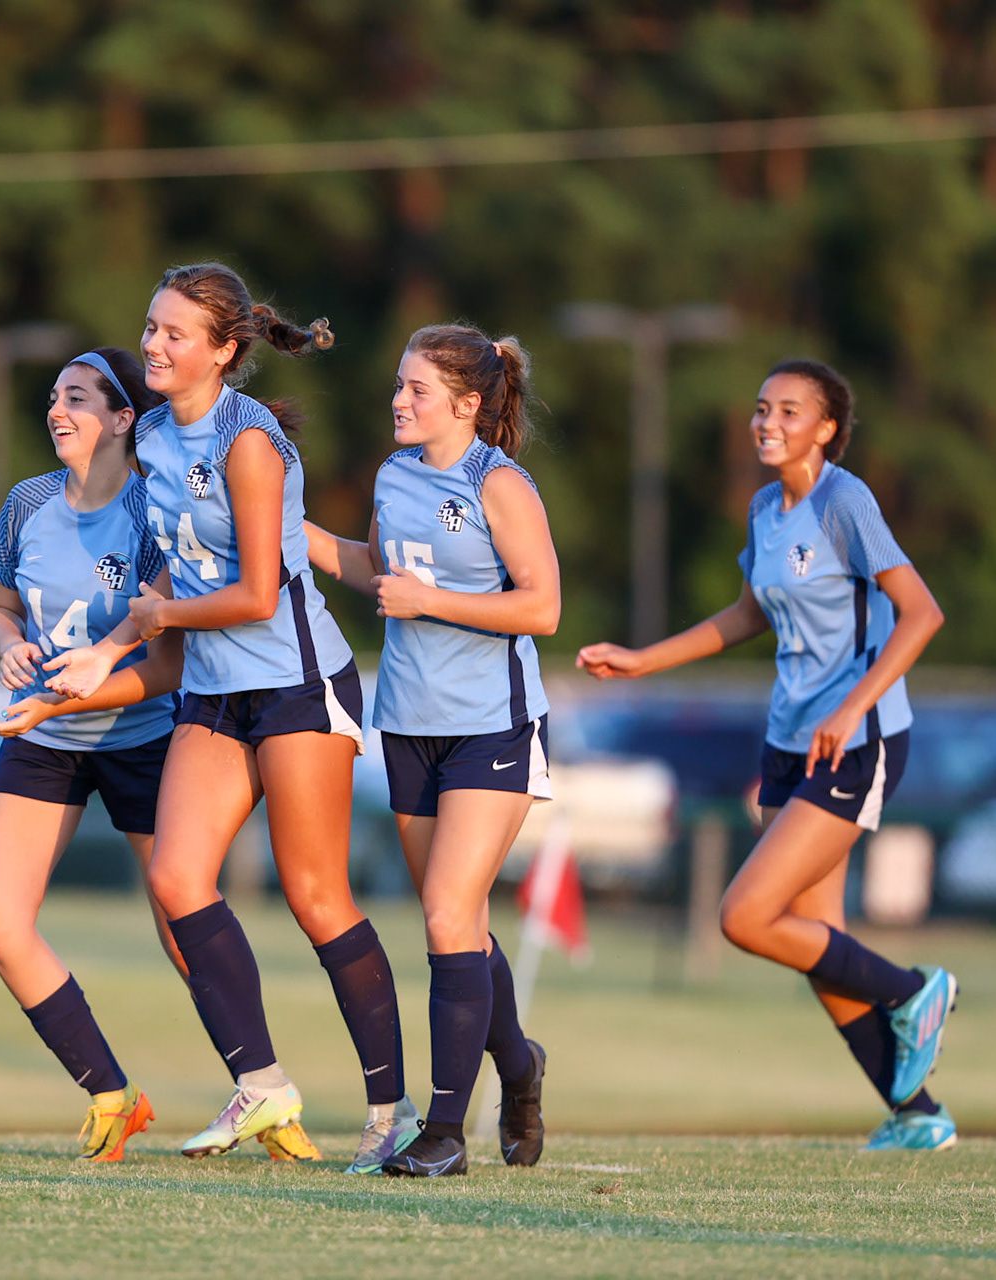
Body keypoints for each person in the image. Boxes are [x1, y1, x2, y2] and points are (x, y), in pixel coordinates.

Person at [46, 263, 410, 1172]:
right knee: (176, 880)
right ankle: (263, 1084)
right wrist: (110, 648)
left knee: (317, 899)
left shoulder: (249, 443)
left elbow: (254, 592)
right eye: (151, 327)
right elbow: (172, 569)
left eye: (175, 333)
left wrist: (157, 619)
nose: (155, 346)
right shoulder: (158, 435)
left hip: (296, 684)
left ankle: (391, 1112)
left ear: (224, 349)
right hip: (211, 692)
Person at [576, 359, 958, 1151]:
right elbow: (750, 612)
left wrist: (853, 709)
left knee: (747, 917)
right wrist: (643, 660)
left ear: (827, 430)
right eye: (761, 408)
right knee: (821, 942)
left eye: (790, 411)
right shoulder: (763, 508)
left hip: (858, 739)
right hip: (789, 741)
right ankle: (916, 1111)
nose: (768, 422)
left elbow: (922, 614)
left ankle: (916, 988)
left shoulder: (844, 499)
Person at [305, 323, 559, 1177]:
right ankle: (519, 1068)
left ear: (467, 403)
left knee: (450, 915)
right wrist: (285, 530)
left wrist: (434, 600)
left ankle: (445, 1133)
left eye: (416, 389)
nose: (398, 400)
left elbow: (542, 610)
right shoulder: (392, 474)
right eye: (398, 384)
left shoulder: (501, 483)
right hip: (407, 725)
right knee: (459, 925)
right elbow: (376, 572)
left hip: (493, 724)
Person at [0, 347, 185, 1162]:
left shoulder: (154, 512)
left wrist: (70, 691)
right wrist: (9, 643)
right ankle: (110, 1094)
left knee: (184, 929)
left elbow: (166, 657)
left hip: (144, 736)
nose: (57, 410)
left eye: (80, 397)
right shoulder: (27, 502)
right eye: (54, 396)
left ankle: (263, 1091)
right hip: (44, 737)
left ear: (125, 417)